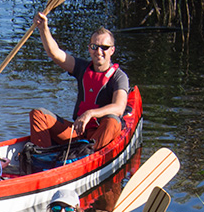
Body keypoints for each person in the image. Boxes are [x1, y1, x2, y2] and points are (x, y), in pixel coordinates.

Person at [28, 13, 129, 152]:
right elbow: (55, 53)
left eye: (104, 47)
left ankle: (86, 153)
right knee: (38, 114)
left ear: (112, 50)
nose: (99, 52)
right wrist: (43, 28)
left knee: (112, 121)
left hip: (101, 132)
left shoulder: (119, 77)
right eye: (94, 46)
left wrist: (90, 113)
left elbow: (119, 107)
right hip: (78, 131)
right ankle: (43, 157)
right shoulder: (81, 67)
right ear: (89, 48)